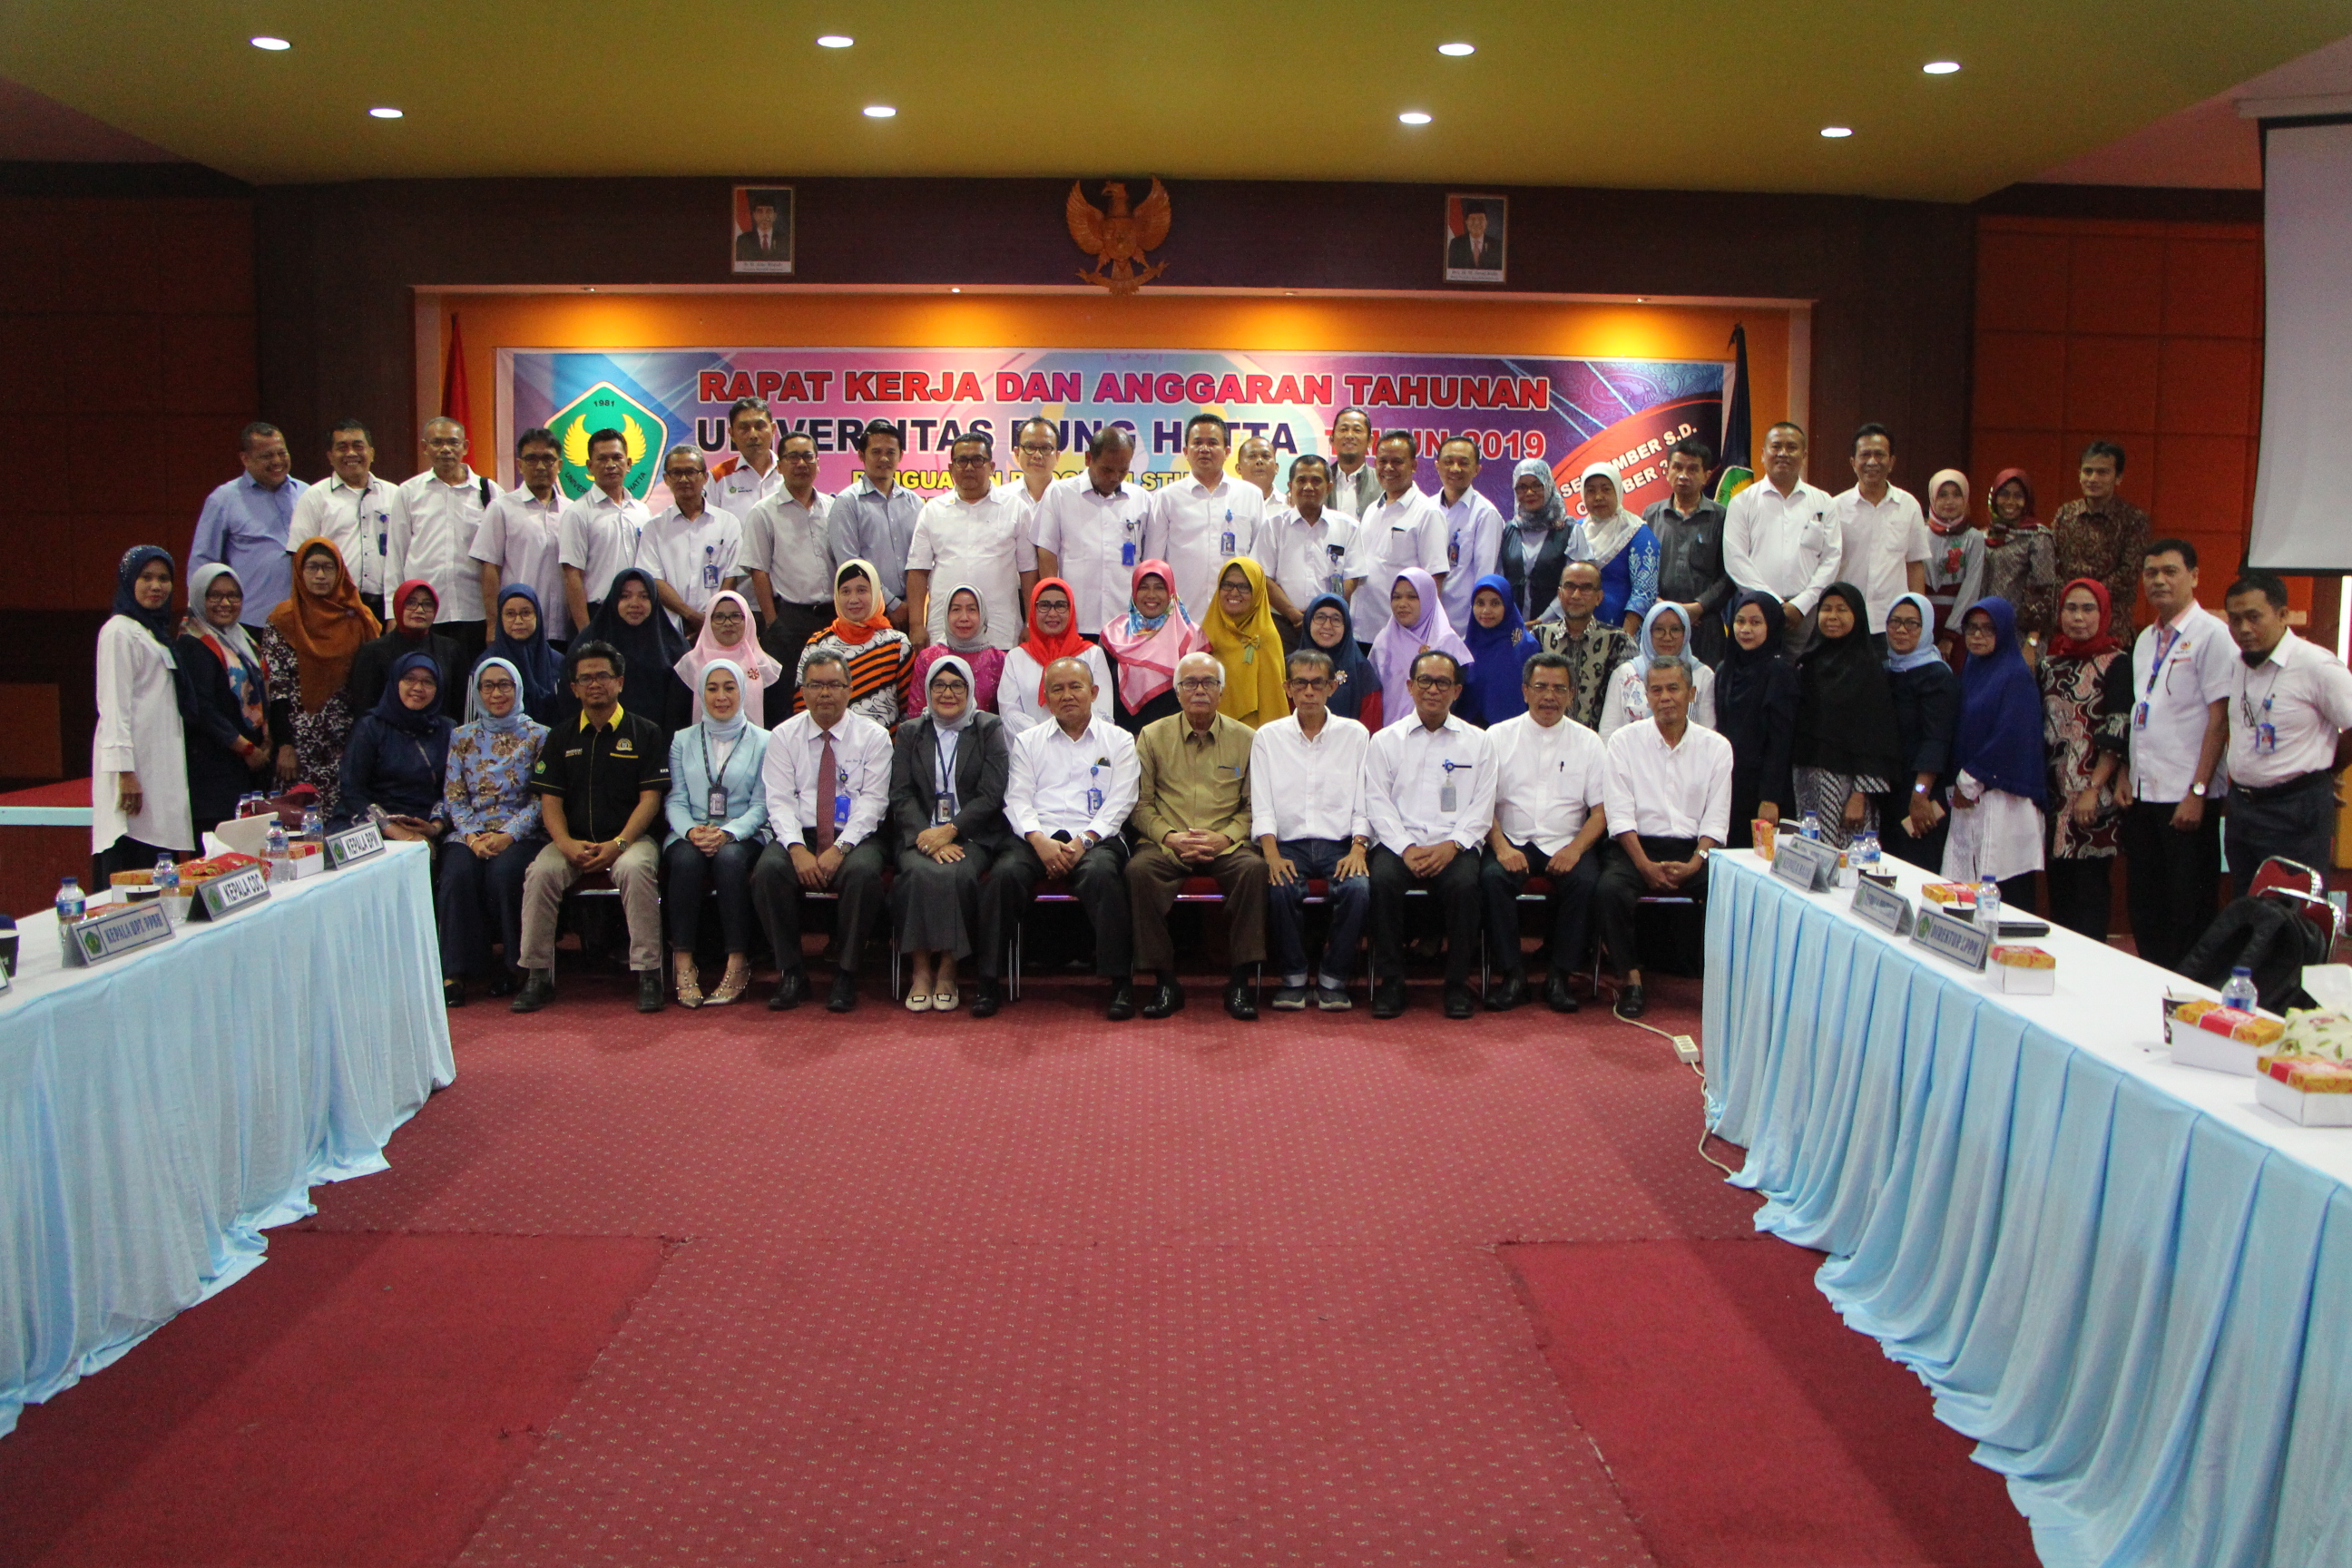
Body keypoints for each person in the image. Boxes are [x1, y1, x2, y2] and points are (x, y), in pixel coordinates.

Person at [512, 640, 671, 1014]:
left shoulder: (645, 732)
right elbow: (549, 801)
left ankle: (649, 974)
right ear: (574, 688)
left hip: (629, 841)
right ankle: (537, 975)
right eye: (586, 678)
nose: (595, 684)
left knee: (636, 870)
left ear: (620, 682)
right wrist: (565, 843)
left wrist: (619, 843)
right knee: (540, 873)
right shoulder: (560, 736)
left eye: (603, 675)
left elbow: (650, 799)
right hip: (572, 841)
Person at [978, 655, 1141, 1021]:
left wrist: (1085, 841)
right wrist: (1038, 840)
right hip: (1036, 836)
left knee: (1103, 876)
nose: (1067, 696)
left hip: (1096, 837)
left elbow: (1122, 800)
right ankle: (988, 981)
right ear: (1046, 698)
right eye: (1057, 689)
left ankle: (1119, 982)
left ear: (1094, 692)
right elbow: (1017, 798)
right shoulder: (1028, 742)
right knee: (1003, 877)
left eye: (1075, 687)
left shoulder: (1120, 741)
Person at [1126, 652, 1268, 1021]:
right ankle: (1164, 980)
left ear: (1222, 691)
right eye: (1190, 683)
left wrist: (1225, 838)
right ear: (1177, 692)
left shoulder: (1247, 739)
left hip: (1226, 843)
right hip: (1167, 842)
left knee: (1253, 871)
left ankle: (1240, 981)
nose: (1199, 690)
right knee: (1138, 872)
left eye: (1208, 682)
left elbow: (1256, 807)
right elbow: (1139, 806)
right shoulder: (1152, 737)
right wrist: (1169, 837)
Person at [751, 648, 891, 1012]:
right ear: (803, 689)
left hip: (856, 836)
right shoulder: (783, 736)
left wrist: (840, 849)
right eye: (815, 685)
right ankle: (792, 972)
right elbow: (778, 800)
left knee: (863, 874)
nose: (824, 693)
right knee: (768, 871)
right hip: (801, 832)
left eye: (833, 685)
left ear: (849, 689)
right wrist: (797, 849)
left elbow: (873, 804)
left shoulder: (874, 737)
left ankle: (846, 972)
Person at [1597, 659, 1733, 1018]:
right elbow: (1620, 815)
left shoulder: (1717, 747)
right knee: (1610, 889)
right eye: (1655, 689)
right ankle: (1631, 979)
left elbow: (1716, 821)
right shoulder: (1624, 742)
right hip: (1635, 846)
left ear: (1691, 693)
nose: (1665, 698)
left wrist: (1695, 863)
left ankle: (1719, 986)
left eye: (1673, 689)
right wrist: (1643, 864)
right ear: (1646, 694)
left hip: (1694, 851)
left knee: (1727, 891)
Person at [2122, 539, 2234, 973]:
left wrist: (2199, 790)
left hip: (2188, 798)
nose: (2159, 580)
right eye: (2151, 573)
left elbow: (2219, 719)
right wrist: (2127, 774)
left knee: (2189, 913)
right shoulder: (2147, 639)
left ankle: (2191, 1004)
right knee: (2147, 910)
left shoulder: (2212, 636)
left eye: (2170, 571)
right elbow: (2142, 711)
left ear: (2195, 576)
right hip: (2145, 794)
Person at [1363, 650, 1494, 1019]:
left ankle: (1456, 985)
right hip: (1399, 843)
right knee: (1382, 883)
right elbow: (1376, 801)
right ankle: (1391, 982)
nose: (1433, 690)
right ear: (1410, 686)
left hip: (1455, 843)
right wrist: (1405, 848)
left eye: (1442, 683)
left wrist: (1453, 846)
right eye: (1425, 681)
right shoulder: (1385, 741)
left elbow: (1482, 806)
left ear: (1456, 691)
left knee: (1467, 886)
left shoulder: (1479, 742)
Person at [1481, 650, 1609, 1014]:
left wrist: (1575, 850)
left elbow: (1600, 813)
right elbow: (1482, 805)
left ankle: (1560, 976)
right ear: (1524, 691)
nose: (1549, 696)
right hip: (1511, 840)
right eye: (1540, 687)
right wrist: (1502, 848)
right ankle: (1513, 975)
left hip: (1567, 842)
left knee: (1586, 882)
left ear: (1571, 695)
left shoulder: (1589, 742)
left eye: (1558, 688)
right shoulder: (1497, 737)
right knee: (1492, 878)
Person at [1252, 647, 1372, 1011]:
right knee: (1278, 888)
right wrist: (1271, 855)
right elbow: (1262, 804)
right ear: (1287, 687)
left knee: (1359, 889)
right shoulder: (1268, 737)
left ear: (1332, 687)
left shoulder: (1356, 735)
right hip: (1288, 845)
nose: (1309, 691)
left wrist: (1358, 849)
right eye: (1300, 683)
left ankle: (1334, 979)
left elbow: (1364, 802)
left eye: (1317, 683)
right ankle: (1293, 978)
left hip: (1340, 844)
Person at [889, 656, 1012, 1012]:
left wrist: (952, 830)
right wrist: (926, 836)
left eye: (957, 685)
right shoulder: (912, 731)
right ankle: (920, 969)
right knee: (914, 873)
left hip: (972, 834)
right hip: (920, 834)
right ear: (927, 691)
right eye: (939, 685)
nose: (947, 692)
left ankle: (948, 967)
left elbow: (992, 793)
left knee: (956, 874)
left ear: (970, 689)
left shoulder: (989, 727)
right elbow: (901, 793)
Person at [2221, 571, 2352, 895]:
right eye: (2235, 620)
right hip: (2242, 805)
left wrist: (2326, 771)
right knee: (2248, 907)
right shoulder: (2239, 663)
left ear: (2282, 614)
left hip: (2295, 809)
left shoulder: (2315, 665)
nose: (2244, 630)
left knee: (2292, 915)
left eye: (2254, 617)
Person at [436, 657, 548, 1005]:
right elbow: (454, 796)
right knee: (456, 873)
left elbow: (543, 800)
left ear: (518, 688)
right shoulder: (461, 736)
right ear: (478, 692)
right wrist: (471, 835)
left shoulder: (539, 735)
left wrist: (507, 835)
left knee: (503, 875)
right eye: (488, 686)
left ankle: (515, 966)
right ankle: (455, 971)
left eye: (504, 685)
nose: (496, 693)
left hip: (520, 833)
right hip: (470, 833)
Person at [663, 660, 771, 1009]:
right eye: (712, 688)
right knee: (683, 861)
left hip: (743, 833)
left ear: (742, 692)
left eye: (730, 688)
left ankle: (737, 963)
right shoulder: (682, 740)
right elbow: (676, 799)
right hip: (691, 830)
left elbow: (762, 805)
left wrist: (728, 832)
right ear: (701, 692)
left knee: (729, 861)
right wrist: (692, 830)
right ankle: (683, 963)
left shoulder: (764, 740)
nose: (721, 696)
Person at [260, 540, 380, 816]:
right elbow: (278, 689)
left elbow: (371, 684)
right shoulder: (282, 620)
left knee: (346, 822)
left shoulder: (360, 618)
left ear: (340, 572)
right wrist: (285, 745)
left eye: (328, 567)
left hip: (347, 740)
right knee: (297, 823)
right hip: (299, 745)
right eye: (312, 567)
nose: (320, 576)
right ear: (299, 572)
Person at [93, 546, 192, 878]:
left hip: (156, 772)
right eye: (146, 577)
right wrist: (125, 772)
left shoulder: (152, 633)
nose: (156, 586)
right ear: (128, 581)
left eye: (164, 578)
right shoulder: (119, 631)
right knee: (130, 875)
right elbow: (113, 708)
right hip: (133, 777)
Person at [2039, 579, 2132, 937]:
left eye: (2088, 609)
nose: (2078, 617)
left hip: (2095, 794)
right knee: (2058, 895)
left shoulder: (2116, 663)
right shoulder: (2049, 664)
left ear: (2103, 613)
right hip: (2054, 796)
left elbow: (2118, 727)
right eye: (2071, 608)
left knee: (2089, 894)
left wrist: (2093, 787)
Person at [1942, 599, 2046, 908]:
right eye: (1972, 628)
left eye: (1988, 629)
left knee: (2005, 890)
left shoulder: (2015, 675)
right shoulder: (1973, 669)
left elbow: (2012, 735)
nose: (1978, 636)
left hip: (2004, 798)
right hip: (1972, 794)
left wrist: (1969, 780)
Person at [1790, 583, 1902, 849]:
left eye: (1842, 609)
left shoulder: (1867, 667)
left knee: (1844, 866)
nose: (1832, 616)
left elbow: (1876, 735)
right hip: (1806, 780)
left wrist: (1860, 794)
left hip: (1847, 789)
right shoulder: (1808, 661)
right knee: (1809, 858)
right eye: (1826, 609)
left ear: (1857, 615)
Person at [176, 564, 284, 836]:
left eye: (233, 596)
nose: (225, 603)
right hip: (214, 770)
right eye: (214, 596)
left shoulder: (243, 639)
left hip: (251, 767)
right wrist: (246, 749)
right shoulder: (192, 643)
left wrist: (267, 739)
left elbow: (262, 693)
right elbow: (202, 709)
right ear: (199, 597)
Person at [906, 432, 1036, 652]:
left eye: (977, 460)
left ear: (992, 466)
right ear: (951, 468)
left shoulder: (1016, 509)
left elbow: (1029, 571)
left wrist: (1030, 623)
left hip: (1000, 631)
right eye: (961, 461)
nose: (969, 467)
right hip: (944, 633)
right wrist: (917, 625)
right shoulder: (932, 511)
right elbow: (918, 572)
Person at [740, 428, 833, 718]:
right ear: (779, 465)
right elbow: (759, 570)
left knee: (829, 695)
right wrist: (773, 623)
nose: (801, 463)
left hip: (832, 619)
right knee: (784, 703)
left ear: (818, 463)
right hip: (788, 620)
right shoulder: (763, 512)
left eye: (808, 456)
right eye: (792, 457)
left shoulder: (833, 507)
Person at [1723, 421, 1839, 650]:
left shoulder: (1824, 501)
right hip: (1755, 613)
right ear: (1763, 454)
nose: (1783, 453)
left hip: (1807, 614)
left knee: (1803, 680)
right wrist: (1772, 604)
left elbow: (1832, 558)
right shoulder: (1742, 502)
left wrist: (1801, 605)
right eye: (1776, 447)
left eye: (1791, 447)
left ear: (1804, 455)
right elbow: (1735, 559)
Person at [392, 416, 499, 661]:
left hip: (475, 612)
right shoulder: (408, 492)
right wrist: (393, 613)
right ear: (425, 447)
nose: (446, 449)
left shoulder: (489, 491)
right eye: (437, 442)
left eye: (453, 442)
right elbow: (396, 556)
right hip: (424, 613)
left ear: (466, 447)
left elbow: (498, 556)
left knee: (468, 688)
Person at [1034, 425, 1152, 634]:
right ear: (1089, 459)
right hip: (1074, 620)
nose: (1115, 477)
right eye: (1107, 469)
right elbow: (1046, 553)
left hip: (1126, 623)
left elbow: (1148, 561)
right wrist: (1053, 609)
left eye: (1123, 470)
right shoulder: (1060, 494)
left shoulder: (1142, 499)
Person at [288, 418, 406, 618]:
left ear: (372, 453)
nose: (351, 453)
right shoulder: (315, 496)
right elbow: (299, 557)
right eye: (342, 447)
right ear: (330, 456)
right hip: (332, 606)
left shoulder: (395, 495)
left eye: (358, 446)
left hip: (384, 606)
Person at [1149, 413, 1266, 612]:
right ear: (1186, 451)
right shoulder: (1166, 497)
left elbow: (1260, 561)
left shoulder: (1251, 495)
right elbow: (1154, 563)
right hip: (1182, 615)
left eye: (1212, 443)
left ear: (1227, 451)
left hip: (1237, 615)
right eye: (1197, 443)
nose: (1204, 449)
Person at [191, 422, 305, 622]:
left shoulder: (307, 494)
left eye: (282, 453)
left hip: (303, 621)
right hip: (250, 620)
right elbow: (202, 563)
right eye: (267, 456)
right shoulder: (223, 500)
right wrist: (200, 616)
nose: (277, 461)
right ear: (245, 459)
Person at [1713, 590, 1799, 848]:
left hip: (1764, 789)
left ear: (1771, 626)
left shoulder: (1780, 671)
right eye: (1740, 621)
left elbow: (1781, 740)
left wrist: (1770, 798)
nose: (1745, 629)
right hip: (1729, 784)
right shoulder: (1723, 669)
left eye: (1755, 622)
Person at [1343, 431, 1447, 642]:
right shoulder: (1373, 509)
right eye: (1382, 461)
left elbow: (1434, 580)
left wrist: (1420, 635)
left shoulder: (1428, 513)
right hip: (1360, 632)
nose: (1388, 468)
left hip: (1401, 635)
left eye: (1397, 462)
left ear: (1414, 466)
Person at [1881, 593, 1959, 870]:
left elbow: (1936, 740)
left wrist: (1920, 793)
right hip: (1889, 790)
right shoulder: (1887, 670)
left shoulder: (1936, 676)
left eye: (1912, 624)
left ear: (1926, 628)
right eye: (1895, 622)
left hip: (1920, 795)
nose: (1902, 630)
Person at [338, 650, 454, 838]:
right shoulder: (371, 727)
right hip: (374, 823)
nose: (418, 687)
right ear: (395, 682)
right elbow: (352, 789)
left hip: (426, 824)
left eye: (428, 682)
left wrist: (436, 826)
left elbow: (454, 790)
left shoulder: (447, 730)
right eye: (410, 679)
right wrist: (394, 831)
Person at [472, 428, 572, 642]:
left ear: (560, 465)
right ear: (520, 465)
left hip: (563, 628)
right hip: (517, 628)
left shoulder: (572, 511)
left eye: (548, 459)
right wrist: (493, 624)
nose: (540, 466)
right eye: (532, 459)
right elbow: (490, 569)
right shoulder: (501, 508)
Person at [1830, 423, 1929, 632]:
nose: (1872, 461)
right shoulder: (1835, 507)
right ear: (1853, 462)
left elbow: (1914, 565)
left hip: (1892, 621)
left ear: (1891, 462)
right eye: (1865, 455)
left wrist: (1917, 614)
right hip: (1847, 619)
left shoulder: (1909, 505)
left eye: (1880, 455)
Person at [638, 445, 744, 638]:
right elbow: (654, 580)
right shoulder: (654, 528)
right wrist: (691, 616)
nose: (684, 479)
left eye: (691, 472)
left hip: (718, 627)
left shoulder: (728, 523)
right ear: (666, 479)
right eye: (676, 473)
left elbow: (732, 576)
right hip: (669, 629)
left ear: (705, 477)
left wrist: (712, 618)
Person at [794, 558, 914, 729]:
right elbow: (802, 704)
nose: (853, 599)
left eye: (862, 590)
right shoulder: (817, 645)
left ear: (876, 593)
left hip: (884, 747)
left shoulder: (898, 644)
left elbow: (907, 707)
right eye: (845, 592)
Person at [2052, 442, 2150, 648]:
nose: (2093, 479)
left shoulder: (2133, 519)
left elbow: (2129, 573)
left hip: (2113, 627)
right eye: (2088, 471)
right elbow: (2052, 563)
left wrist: (2087, 595)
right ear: (2079, 474)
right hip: (2068, 624)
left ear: (2118, 477)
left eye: (2102, 472)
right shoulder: (2064, 514)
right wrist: (2072, 599)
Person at [1642, 438, 1731, 665]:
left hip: (1703, 625)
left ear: (1706, 475)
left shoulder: (1722, 518)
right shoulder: (1651, 515)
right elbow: (1640, 568)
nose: (1683, 475)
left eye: (1693, 469)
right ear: (1667, 470)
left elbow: (1730, 574)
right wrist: (1658, 603)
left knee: (1702, 690)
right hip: (1658, 622)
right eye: (1677, 467)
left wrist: (1699, 607)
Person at [575, 566, 692, 736]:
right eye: (625, 596)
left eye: (644, 596)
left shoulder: (675, 649)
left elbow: (682, 712)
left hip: (658, 748)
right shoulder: (590, 645)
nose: (635, 604)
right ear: (614, 599)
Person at [556, 427, 651, 635]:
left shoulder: (643, 512)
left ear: (629, 464)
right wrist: (585, 631)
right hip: (597, 614)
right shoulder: (578, 513)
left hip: (639, 614)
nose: (610, 465)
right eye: (602, 459)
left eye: (617, 457)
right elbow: (572, 576)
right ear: (590, 466)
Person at [827, 421, 920, 628]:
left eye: (891, 452)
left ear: (901, 455)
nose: (884, 458)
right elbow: (850, 564)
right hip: (867, 612)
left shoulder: (915, 503)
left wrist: (913, 608)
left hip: (913, 611)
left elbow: (922, 559)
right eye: (876, 452)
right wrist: (891, 603)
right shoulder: (847, 503)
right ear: (862, 455)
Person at [1254, 454, 1353, 642]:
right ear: (1291, 487)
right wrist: (1294, 615)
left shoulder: (1348, 527)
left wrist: (1325, 615)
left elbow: (1352, 578)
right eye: (1301, 481)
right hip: (1282, 626)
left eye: (1316, 481)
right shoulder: (1272, 526)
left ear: (1329, 487)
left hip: (1331, 628)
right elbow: (1263, 578)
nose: (1308, 487)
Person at [1101, 559, 1207, 731]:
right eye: (1143, 587)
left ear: (1171, 591)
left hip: (1175, 737)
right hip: (1122, 733)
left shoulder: (1193, 637)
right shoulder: (1114, 634)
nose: (1151, 594)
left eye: (1159, 587)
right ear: (1134, 591)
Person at [1530, 561, 1634, 732]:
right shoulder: (1539, 637)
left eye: (1585, 588)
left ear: (1599, 597)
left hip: (1600, 745)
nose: (1576, 595)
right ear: (1560, 594)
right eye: (1570, 587)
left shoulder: (1620, 642)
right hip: (1545, 739)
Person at [1000, 577, 1111, 736]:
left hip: (1084, 748)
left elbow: (1103, 710)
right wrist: (1047, 740)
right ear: (1033, 609)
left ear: (1071, 609)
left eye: (1060, 606)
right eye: (1044, 606)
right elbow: (1009, 712)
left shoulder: (1093, 654)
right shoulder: (1016, 657)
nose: (1052, 613)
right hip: (1033, 751)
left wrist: (1071, 739)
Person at [348, 579, 466, 720]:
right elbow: (364, 708)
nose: (419, 610)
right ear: (399, 605)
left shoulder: (450, 649)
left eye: (427, 604)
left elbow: (457, 706)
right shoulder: (373, 651)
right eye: (411, 603)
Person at [1598, 602, 1717, 739]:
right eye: (1659, 629)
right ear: (1648, 632)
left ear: (1686, 633)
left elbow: (1708, 733)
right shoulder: (1625, 674)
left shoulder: (1702, 675)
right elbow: (1608, 733)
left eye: (1675, 629)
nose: (1667, 637)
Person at [1369, 568, 1473, 722]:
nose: (1402, 604)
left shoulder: (1446, 642)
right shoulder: (1383, 641)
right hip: (1390, 735)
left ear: (1428, 599)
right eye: (1396, 597)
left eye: (1412, 597)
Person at [1568, 460, 1658, 632]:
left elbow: (1644, 593)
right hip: (1575, 631)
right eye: (1591, 491)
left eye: (1606, 489)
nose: (1598, 496)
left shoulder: (1637, 533)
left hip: (1621, 631)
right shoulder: (1575, 530)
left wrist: (1625, 639)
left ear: (1618, 491)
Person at [1200, 556, 1289, 728]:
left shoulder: (1266, 636)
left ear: (1257, 592)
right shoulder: (1208, 631)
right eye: (1227, 585)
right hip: (1208, 732)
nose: (1234, 593)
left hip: (1253, 736)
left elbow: (1273, 701)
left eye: (1244, 587)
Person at [674, 589, 782, 724]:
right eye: (719, 617)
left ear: (747, 620)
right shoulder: (690, 665)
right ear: (708, 621)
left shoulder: (765, 666)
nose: (728, 623)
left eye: (736, 616)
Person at [1979, 467, 2058, 652]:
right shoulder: (1982, 535)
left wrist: (2032, 641)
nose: (2010, 502)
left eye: (2018, 495)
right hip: (1982, 629)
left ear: (2027, 499)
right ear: (1994, 497)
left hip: (2020, 636)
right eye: (2004, 494)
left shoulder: (2037, 537)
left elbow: (2044, 591)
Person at [1433, 436, 1504, 629]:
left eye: (1463, 463)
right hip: (1425, 622)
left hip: (1463, 624)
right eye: (1448, 462)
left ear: (1476, 470)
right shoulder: (1425, 508)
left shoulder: (1485, 514)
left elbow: (1485, 576)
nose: (1455, 469)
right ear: (1437, 466)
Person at [1498, 457, 1574, 629]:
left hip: (1557, 628)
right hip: (1513, 627)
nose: (1530, 492)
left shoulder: (1568, 530)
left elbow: (1576, 583)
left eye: (1536, 485)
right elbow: (1500, 578)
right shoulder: (1509, 530)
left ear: (1548, 485)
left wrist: (1543, 620)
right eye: (1522, 487)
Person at [908, 585, 1006, 717]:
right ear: (946, 615)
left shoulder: (999, 660)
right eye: (956, 609)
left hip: (986, 735)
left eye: (971, 610)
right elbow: (916, 711)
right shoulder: (928, 658)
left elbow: (1005, 714)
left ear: (982, 614)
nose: (964, 617)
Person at [1458, 573, 1537, 728]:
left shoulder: (1524, 646)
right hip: (1470, 736)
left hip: (1513, 736)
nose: (1486, 610)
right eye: (1480, 603)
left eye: (1495, 603)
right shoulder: (1464, 649)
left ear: (1507, 605)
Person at [1920, 468, 1984, 654]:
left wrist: (1951, 633)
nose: (1950, 501)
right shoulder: (1920, 532)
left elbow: (1972, 585)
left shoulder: (1974, 538)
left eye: (1957, 495)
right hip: (1923, 618)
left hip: (1958, 620)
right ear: (1932, 498)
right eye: (1942, 495)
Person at [480, 583, 564, 725]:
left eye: (526, 613)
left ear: (537, 615)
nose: (518, 621)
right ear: (500, 618)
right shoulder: (486, 664)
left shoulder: (558, 662)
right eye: (510, 614)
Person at [1302, 592, 1380, 731]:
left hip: (1348, 749)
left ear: (1347, 626)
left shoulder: (1361, 669)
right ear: (1309, 621)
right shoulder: (1292, 665)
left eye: (1336, 619)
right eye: (1320, 617)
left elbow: (1371, 725)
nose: (1327, 625)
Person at [709, 396, 786, 519]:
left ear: (773, 429)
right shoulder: (718, 477)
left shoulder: (789, 471)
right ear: (732, 434)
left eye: (760, 426)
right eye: (744, 428)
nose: (753, 435)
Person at [996, 415, 1063, 527]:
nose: (1037, 455)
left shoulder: (1068, 499)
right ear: (1017, 453)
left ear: (1057, 456)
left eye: (1045, 448)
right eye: (1030, 447)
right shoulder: (1001, 498)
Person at [1324, 407, 1380, 518]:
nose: (1349, 436)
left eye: (1357, 430)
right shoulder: (1318, 482)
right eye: (1344, 429)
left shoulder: (1382, 483)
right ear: (1331, 440)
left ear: (1370, 441)